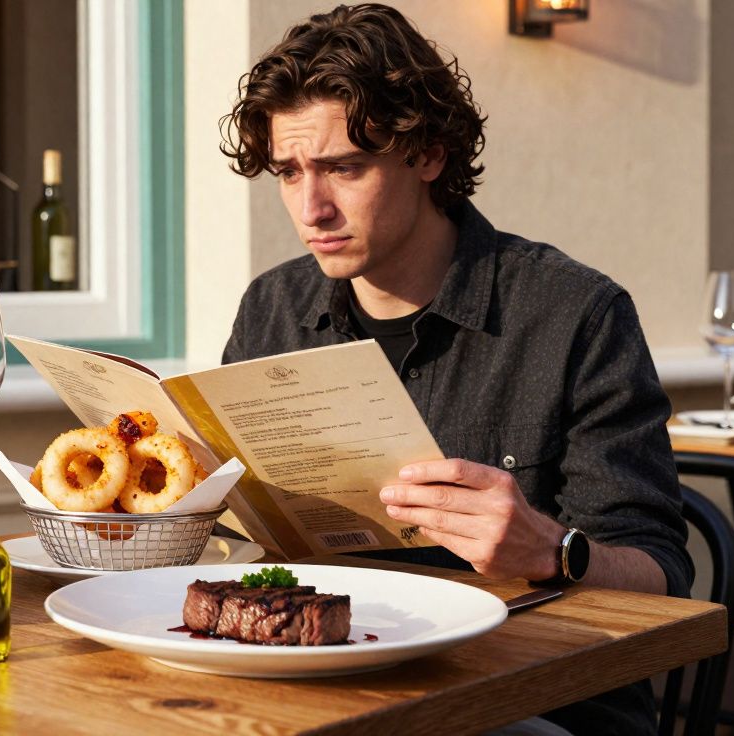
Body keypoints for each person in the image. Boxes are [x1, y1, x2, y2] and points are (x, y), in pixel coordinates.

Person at [219, 5, 690, 735]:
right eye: (288, 172)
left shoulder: (575, 314)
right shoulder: (272, 309)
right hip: (325, 691)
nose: (311, 207)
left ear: (428, 154)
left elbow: (664, 577)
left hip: (535, 699)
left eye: (343, 167)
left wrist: (549, 549)